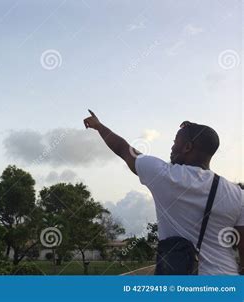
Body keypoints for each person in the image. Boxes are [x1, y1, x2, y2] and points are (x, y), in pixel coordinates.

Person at [83, 110, 244, 275]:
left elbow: (124, 150)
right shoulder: (237, 194)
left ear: (187, 147)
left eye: (176, 142)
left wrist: (99, 126)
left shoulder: (165, 176)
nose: (172, 147)